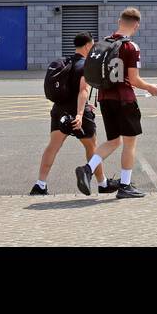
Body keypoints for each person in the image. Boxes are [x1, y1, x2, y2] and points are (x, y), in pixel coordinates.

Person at [75, 7, 157, 200]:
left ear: (119, 21)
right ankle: (125, 186)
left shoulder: (104, 43)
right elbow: (134, 80)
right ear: (136, 25)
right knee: (129, 143)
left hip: (105, 98)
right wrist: (150, 87)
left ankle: (87, 169)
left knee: (114, 140)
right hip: (125, 99)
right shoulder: (131, 47)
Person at [32, 33, 117, 196]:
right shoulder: (86, 65)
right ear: (87, 46)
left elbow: (69, 89)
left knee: (52, 147)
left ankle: (40, 184)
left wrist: (84, 104)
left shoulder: (66, 62)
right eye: (92, 45)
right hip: (79, 114)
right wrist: (79, 114)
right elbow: (83, 90)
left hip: (59, 110)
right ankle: (102, 183)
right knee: (92, 147)